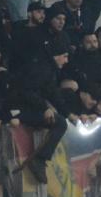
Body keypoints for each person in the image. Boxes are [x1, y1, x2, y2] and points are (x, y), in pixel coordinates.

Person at [12, 39, 71, 183]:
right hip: (17, 110)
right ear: (56, 55)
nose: (66, 61)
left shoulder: (48, 70)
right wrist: (44, 108)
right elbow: (26, 91)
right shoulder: (41, 69)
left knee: (62, 120)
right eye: (65, 56)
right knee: (60, 123)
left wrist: (69, 113)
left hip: (26, 108)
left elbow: (53, 94)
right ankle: (40, 159)